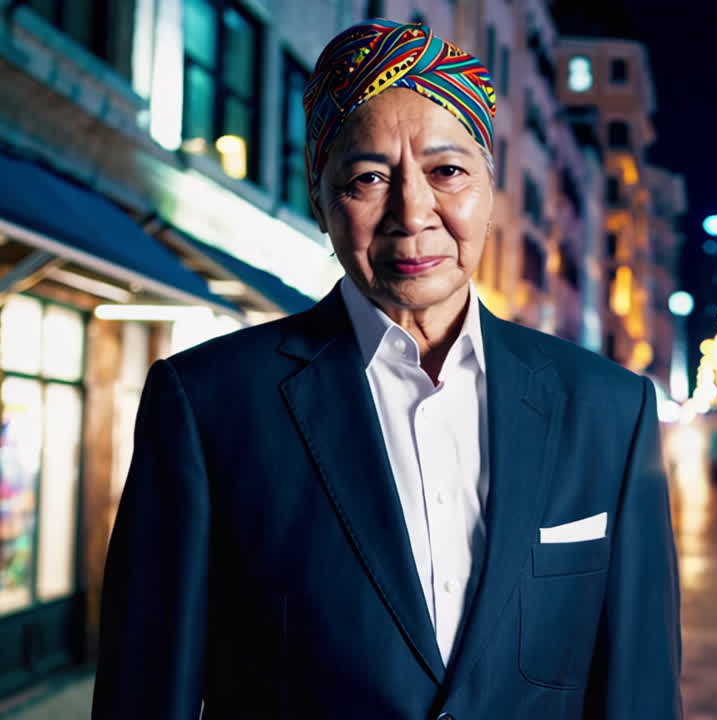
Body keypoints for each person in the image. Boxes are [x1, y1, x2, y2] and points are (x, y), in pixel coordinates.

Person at [92, 20, 681, 719]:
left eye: (447, 171)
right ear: (321, 201)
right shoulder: (206, 403)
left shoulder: (609, 411)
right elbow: (144, 691)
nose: (413, 210)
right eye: (368, 177)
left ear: (491, 189)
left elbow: (639, 691)